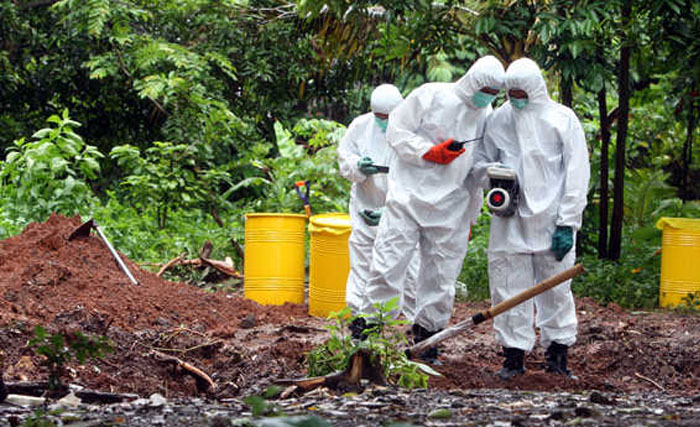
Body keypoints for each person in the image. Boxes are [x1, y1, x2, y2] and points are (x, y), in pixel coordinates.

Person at [359, 56, 506, 360]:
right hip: (407, 197)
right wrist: (428, 151)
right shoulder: (432, 94)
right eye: (485, 89)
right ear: (472, 80)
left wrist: (471, 215)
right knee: (388, 265)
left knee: (441, 277)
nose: (487, 95)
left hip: (452, 205)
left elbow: (476, 165)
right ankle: (366, 334)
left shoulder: (485, 112)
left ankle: (427, 340)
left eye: (494, 91)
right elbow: (396, 132)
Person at [472, 57, 590, 380]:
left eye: (522, 91)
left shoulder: (562, 120)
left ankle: (557, 357)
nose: (516, 98)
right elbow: (481, 161)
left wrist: (568, 222)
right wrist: (494, 178)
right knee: (508, 287)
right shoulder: (498, 120)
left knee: (556, 289)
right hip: (510, 223)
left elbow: (577, 174)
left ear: (537, 88)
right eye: (511, 92)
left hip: (553, 222)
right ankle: (513, 358)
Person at [337, 84, 419, 337]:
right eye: (380, 117)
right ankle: (362, 322)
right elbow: (345, 158)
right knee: (363, 264)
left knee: (411, 269)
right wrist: (358, 167)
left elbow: (421, 179)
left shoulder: (414, 129)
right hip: (366, 206)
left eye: (388, 117)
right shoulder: (361, 126)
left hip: (402, 213)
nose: (384, 122)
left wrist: (393, 211)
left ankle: (419, 326)